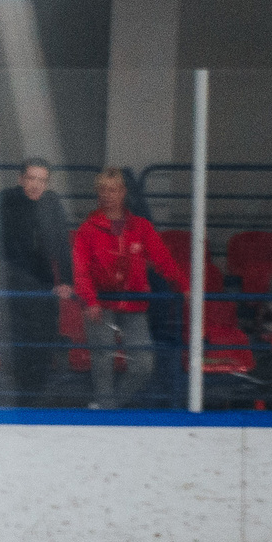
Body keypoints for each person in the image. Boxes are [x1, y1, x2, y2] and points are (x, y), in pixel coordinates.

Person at [71, 167, 187, 409]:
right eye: (103, 190)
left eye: (113, 190)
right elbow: (80, 270)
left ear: (123, 192)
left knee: (144, 363)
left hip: (133, 303)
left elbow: (162, 259)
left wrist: (183, 285)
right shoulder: (87, 230)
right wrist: (90, 301)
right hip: (100, 304)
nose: (108, 195)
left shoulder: (141, 227)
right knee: (102, 360)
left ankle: (109, 407)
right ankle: (105, 411)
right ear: (97, 193)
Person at [0, 159, 76, 405]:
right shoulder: (4, 200)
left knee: (42, 349)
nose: (36, 185)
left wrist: (67, 280)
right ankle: (16, 405)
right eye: (32, 178)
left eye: (42, 180)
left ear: (47, 183)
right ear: (21, 179)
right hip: (10, 286)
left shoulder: (53, 203)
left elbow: (61, 246)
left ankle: (33, 407)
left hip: (43, 288)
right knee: (12, 350)